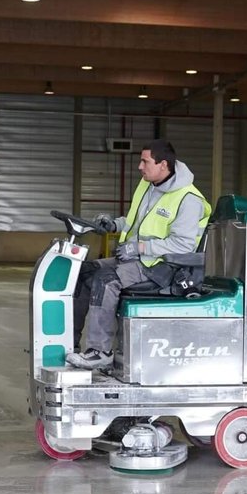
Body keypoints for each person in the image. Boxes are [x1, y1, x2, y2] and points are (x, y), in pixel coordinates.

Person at [68, 139, 209, 371]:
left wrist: (141, 248)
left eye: (145, 161)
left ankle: (100, 352)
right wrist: (114, 224)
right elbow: (136, 223)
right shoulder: (148, 185)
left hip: (162, 267)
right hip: (135, 258)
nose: (139, 167)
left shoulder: (188, 199)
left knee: (106, 280)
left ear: (163, 164)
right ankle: (70, 342)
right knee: (84, 271)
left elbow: (183, 245)